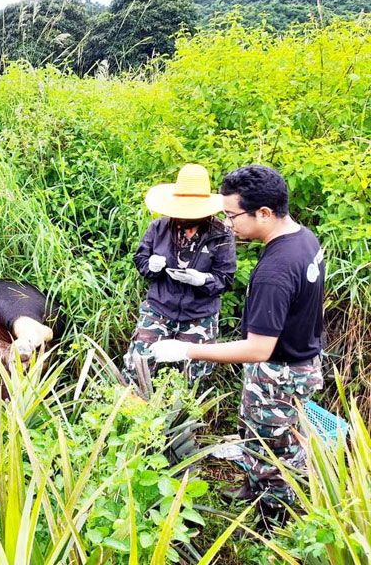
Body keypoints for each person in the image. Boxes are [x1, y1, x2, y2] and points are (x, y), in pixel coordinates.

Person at [152, 165, 325, 531]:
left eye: (232, 216)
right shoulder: (303, 239)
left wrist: (186, 350)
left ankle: (273, 523)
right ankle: (252, 489)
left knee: (273, 450)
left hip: (279, 373)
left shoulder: (275, 270)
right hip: (301, 359)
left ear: (263, 212)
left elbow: (258, 349)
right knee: (258, 436)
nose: (228, 225)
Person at [124, 163, 236, 388]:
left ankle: (179, 409)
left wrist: (203, 280)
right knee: (138, 365)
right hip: (159, 307)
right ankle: (133, 405)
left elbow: (225, 279)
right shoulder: (159, 228)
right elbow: (140, 259)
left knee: (192, 378)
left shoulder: (221, 235)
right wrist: (151, 266)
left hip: (200, 314)